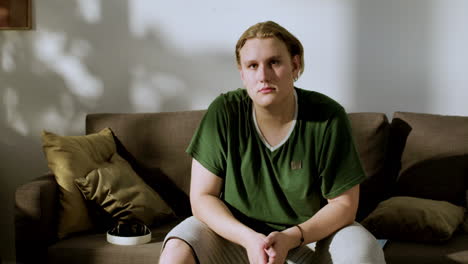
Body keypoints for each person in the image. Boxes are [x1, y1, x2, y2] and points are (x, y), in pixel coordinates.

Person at [159, 21, 385, 264]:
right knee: (176, 248)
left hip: (309, 239)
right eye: (253, 66)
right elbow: (202, 197)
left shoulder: (328, 116)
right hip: (237, 237)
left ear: (295, 65)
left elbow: (344, 204)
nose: (263, 76)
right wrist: (248, 239)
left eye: (274, 62)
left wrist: (291, 237)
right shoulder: (224, 112)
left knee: (362, 248)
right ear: (242, 73)